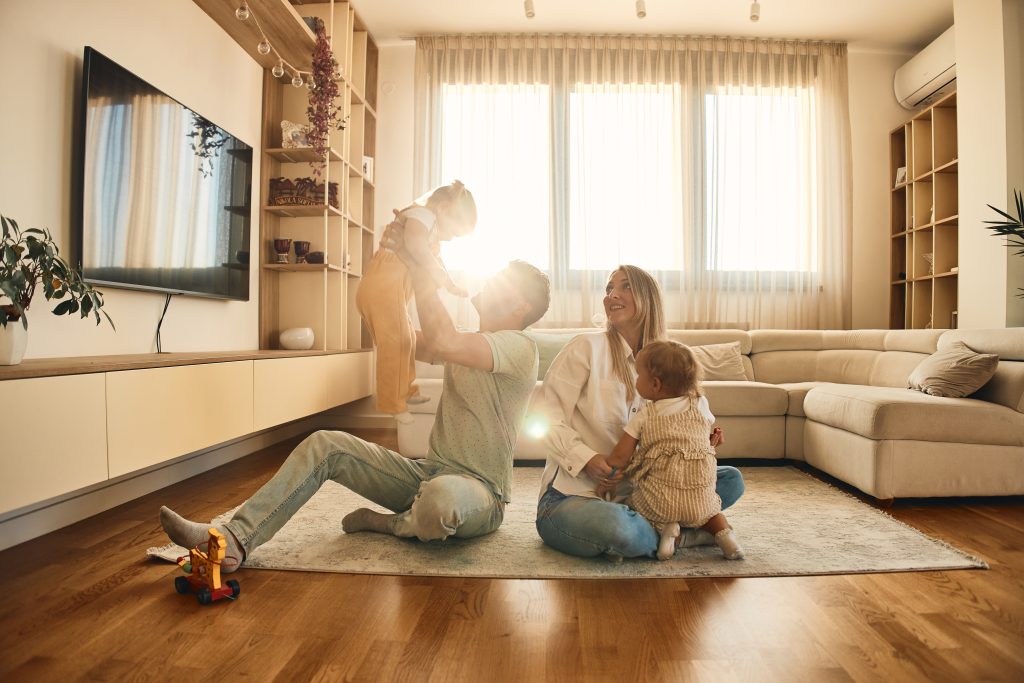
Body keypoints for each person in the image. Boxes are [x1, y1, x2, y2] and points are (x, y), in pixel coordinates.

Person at [160, 238, 551, 572]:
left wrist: (422, 268)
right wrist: (391, 272)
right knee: (326, 444)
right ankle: (232, 540)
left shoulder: (520, 348)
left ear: (519, 307)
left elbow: (445, 340)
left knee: (441, 503)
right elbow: (396, 338)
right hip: (425, 475)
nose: (491, 281)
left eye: (503, 281)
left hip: (479, 494)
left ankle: (391, 524)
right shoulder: (468, 342)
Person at [533, 265, 745, 561]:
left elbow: (697, 414)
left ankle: (661, 530)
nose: (611, 295)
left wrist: (704, 441)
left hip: (648, 494)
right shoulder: (585, 347)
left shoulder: (673, 359)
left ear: (648, 297)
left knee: (731, 480)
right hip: (575, 496)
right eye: (608, 289)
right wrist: (587, 459)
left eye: (624, 286)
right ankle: (680, 535)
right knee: (620, 529)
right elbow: (542, 418)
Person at [599, 340, 744, 561]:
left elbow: (620, 457)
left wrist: (607, 477)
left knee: (629, 503)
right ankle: (726, 538)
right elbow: (695, 441)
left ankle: (667, 533)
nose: (635, 379)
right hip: (700, 501)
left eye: (638, 375)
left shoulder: (646, 415)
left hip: (660, 503)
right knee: (711, 510)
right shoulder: (700, 403)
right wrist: (712, 442)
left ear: (655, 384)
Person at [355, 180, 478, 425]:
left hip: (393, 288)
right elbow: (414, 245)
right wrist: (437, 273)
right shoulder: (421, 216)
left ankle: (406, 391)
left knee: (407, 339)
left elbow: (434, 259)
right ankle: (392, 402)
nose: (452, 239)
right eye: (454, 231)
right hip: (382, 285)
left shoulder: (430, 231)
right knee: (397, 341)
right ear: (442, 210)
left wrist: (450, 283)